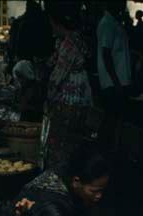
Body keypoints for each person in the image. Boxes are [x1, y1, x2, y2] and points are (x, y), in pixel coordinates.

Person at [42, 1, 92, 170]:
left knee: (62, 140)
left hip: (69, 98)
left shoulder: (69, 43)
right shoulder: (74, 39)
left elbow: (57, 77)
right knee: (73, 138)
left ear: (57, 21)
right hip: (80, 96)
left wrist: (48, 99)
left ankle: (60, 175)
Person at [97, 0, 132, 150]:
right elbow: (106, 54)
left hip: (118, 80)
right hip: (113, 82)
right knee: (111, 119)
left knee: (114, 119)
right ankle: (106, 150)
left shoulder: (114, 23)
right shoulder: (107, 24)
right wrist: (116, 81)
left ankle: (109, 149)